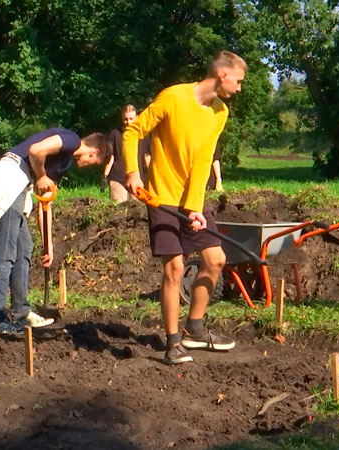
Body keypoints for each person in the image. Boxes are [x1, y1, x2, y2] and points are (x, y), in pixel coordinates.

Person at [123, 51, 247, 364]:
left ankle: (195, 329)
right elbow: (134, 131)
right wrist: (133, 173)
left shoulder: (220, 112)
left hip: (191, 198)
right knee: (175, 268)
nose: (240, 88)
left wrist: (194, 207)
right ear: (222, 75)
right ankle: (172, 342)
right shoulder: (173, 97)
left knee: (215, 259)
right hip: (161, 196)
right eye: (239, 81)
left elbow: (204, 159)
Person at [0, 128, 109, 334]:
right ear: (94, 152)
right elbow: (36, 150)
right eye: (96, 162)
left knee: (24, 248)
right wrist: (40, 175)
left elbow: (44, 202)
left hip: (21, 184)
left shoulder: (62, 163)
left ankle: (21, 312)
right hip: (10, 176)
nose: (91, 167)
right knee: (6, 252)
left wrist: (47, 244)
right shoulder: (72, 140)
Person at [101, 105, 151, 202]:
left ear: (137, 117)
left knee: (137, 210)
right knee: (118, 211)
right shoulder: (115, 134)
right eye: (125, 119)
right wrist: (104, 176)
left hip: (138, 179)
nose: (128, 122)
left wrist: (152, 177)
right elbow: (111, 157)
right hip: (117, 178)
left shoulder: (145, 135)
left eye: (131, 119)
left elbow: (147, 157)